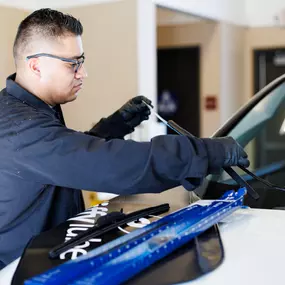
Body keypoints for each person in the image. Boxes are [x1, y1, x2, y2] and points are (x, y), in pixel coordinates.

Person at [0, 8, 249, 269]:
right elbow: (103, 164)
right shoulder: (17, 127)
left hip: (47, 257)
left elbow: (60, 158)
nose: (82, 73)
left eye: (81, 61)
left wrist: (115, 125)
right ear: (36, 65)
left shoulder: (28, 111)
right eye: (72, 64)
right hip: (17, 271)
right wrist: (203, 152)